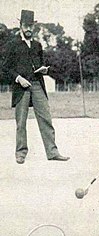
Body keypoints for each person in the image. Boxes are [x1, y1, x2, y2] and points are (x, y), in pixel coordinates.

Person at [3, 10, 69, 164]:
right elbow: (5, 67)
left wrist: (44, 69)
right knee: (21, 122)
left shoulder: (37, 45)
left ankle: (52, 152)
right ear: (20, 25)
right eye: (26, 26)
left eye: (31, 26)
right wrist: (18, 78)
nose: (29, 29)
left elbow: (40, 63)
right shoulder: (12, 45)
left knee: (46, 117)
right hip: (22, 87)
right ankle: (21, 153)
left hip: (38, 84)